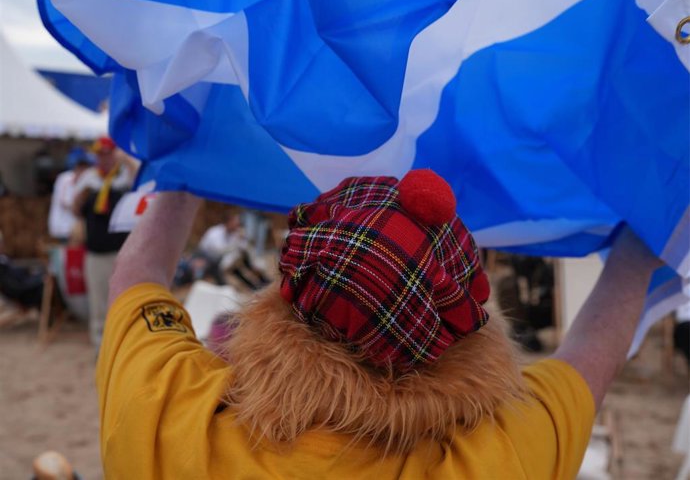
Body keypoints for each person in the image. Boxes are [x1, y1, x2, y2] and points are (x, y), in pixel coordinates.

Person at [101, 170, 662, 478]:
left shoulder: (168, 414)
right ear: (462, 343)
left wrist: (184, 161)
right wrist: (651, 219)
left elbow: (136, 276)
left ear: (288, 284)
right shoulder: (495, 456)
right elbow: (594, 353)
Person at [73, 136, 134, 348]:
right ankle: (100, 346)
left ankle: (122, 344)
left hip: (121, 251)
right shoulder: (90, 178)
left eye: (107, 154)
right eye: (100, 154)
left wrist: (126, 159)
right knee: (98, 302)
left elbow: (140, 185)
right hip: (96, 252)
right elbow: (75, 210)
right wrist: (82, 191)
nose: (104, 158)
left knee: (123, 300)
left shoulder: (124, 176)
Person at [185, 212, 270, 290]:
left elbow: (243, 247)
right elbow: (219, 250)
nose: (237, 225)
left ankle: (260, 281)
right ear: (228, 222)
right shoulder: (215, 232)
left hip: (220, 258)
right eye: (235, 223)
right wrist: (237, 242)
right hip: (206, 257)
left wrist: (243, 239)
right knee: (235, 266)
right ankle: (254, 284)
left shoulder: (233, 233)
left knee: (242, 260)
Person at [48, 147, 94, 242]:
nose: (84, 172)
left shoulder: (85, 181)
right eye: (81, 168)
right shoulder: (65, 178)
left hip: (76, 230)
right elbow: (65, 202)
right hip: (64, 228)